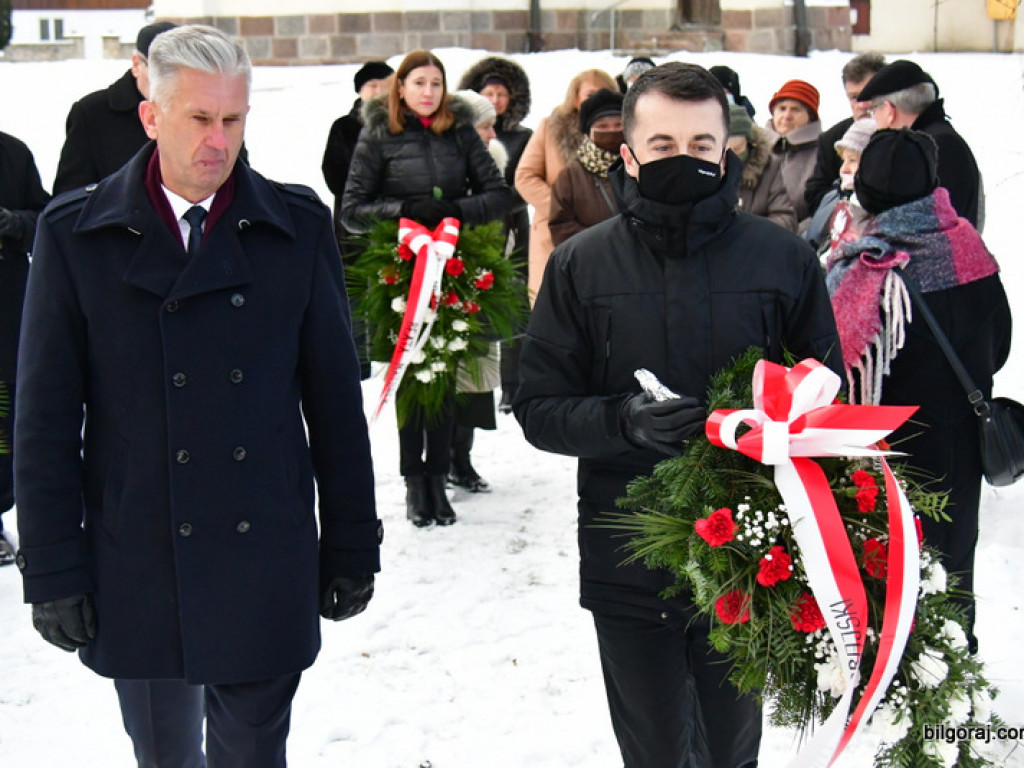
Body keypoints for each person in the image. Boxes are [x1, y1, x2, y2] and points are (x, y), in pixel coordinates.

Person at [14, 26, 381, 766]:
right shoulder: (78, 234)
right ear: (152, 116)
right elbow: (45, 417)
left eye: (234, 120)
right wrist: (52, 566)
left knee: (252, 752)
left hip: (265, 544)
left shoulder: (295, 226)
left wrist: (351, 542)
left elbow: (336, 404)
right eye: (200, 119)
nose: (220, 141)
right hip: (138, 549)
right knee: (163, 752)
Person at [514, 62, 842, 768]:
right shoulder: (580, 265)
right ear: (628, 154)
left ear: (728, 151)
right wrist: (621, 421)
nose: (683, 159)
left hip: (751, 557)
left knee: (730, 749)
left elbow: (828, 391)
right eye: (663, 145)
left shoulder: (783, 259)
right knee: (657, 751)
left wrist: (777, 425)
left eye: (700, 145)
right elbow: (537, 406)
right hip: (628, 555)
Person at [826, 128, 1010, 655]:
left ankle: (892, 667)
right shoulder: (968, 248)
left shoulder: (865, 266)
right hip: (959, 444)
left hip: (885, 449)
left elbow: (835, 365)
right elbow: (998, 343)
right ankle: (954, 660)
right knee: (953, 558)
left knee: (891, 562)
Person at [341, 50, 512, 526]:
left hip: (453, 259)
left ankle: (439, 477)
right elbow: (352, 209)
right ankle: (414, 482)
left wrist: (454, 211)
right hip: (401, 265)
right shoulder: (379, 134)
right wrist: (403, 211)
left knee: (444, 370)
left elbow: (498, 194)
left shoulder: (458, 131)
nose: (429, 92)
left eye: (436, 83)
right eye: (419, 83)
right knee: (411, 374)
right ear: (401, 88)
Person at [457, 57, 533, 411]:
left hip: (510, 229)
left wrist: (504, 202)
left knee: (510, 309)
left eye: (502, 93)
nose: (497, 99)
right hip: (465, 244)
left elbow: (526, 181)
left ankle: (511, 386)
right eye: (489, 93)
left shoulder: (520, 137)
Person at [514, 68, 617, 301]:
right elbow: (525, 176)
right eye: (589, 93)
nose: (596, 98)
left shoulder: (618, 131)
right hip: (554, 233)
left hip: (605, 235)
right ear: (576, 97)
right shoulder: (552, 127)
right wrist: (560, 206)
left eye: (603, 92)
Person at [855, 59, 983, 229]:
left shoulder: (933, 146)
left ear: (889, 110)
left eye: (874, 111)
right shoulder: (936, 137)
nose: (874, 119)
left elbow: (926, 223)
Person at [52, 21, 176, 195]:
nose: (168, 81)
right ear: (136, 65)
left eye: (177, 72)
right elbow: (69, 200)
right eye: (159, 70)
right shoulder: (92, 114)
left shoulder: (204, 111)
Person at [0, 132, 50, 565]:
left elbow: (46, 220)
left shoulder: (11, 154)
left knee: (2, 421)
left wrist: (14, 223)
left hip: (4, 316)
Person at [322, 60, 395, 248]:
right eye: (372, 86)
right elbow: (333, 173)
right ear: (360, 90)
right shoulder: (344, 127)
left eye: (385, 86)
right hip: (353, 221)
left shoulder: (403, 126)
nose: (379, 91)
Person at [803, 53, 885, 213]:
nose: (861, 104)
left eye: (869, 94)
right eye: (854, 97)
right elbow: (813, 195)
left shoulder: (906, 134)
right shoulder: (832, 138)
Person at [549, 88, 624, 246]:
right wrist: (604, 242)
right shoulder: (570, 176)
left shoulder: (641, 166)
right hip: (592, 264)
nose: (611, 131)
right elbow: (560, 226)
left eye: (618, 125)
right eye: (602, 127)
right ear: (588, 132)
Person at [804, 116, 876, 252]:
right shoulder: (832, 197)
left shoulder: (878, 209)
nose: (844, 169)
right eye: (844, 160)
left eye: (853, 160)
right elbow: (811, 239)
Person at [762, 78, 822, 230]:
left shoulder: (821, 152)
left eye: (796, 110)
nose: (787, 116)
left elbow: (822, 209)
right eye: (782, 108)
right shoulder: (755, 145)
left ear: (810, 117)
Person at [727, 103, 796, 231]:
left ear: (750, 143)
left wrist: (748, 230)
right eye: (726, 151)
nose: (732, 157)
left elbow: (786, 218)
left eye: (738, 149)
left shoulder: (770, 167)